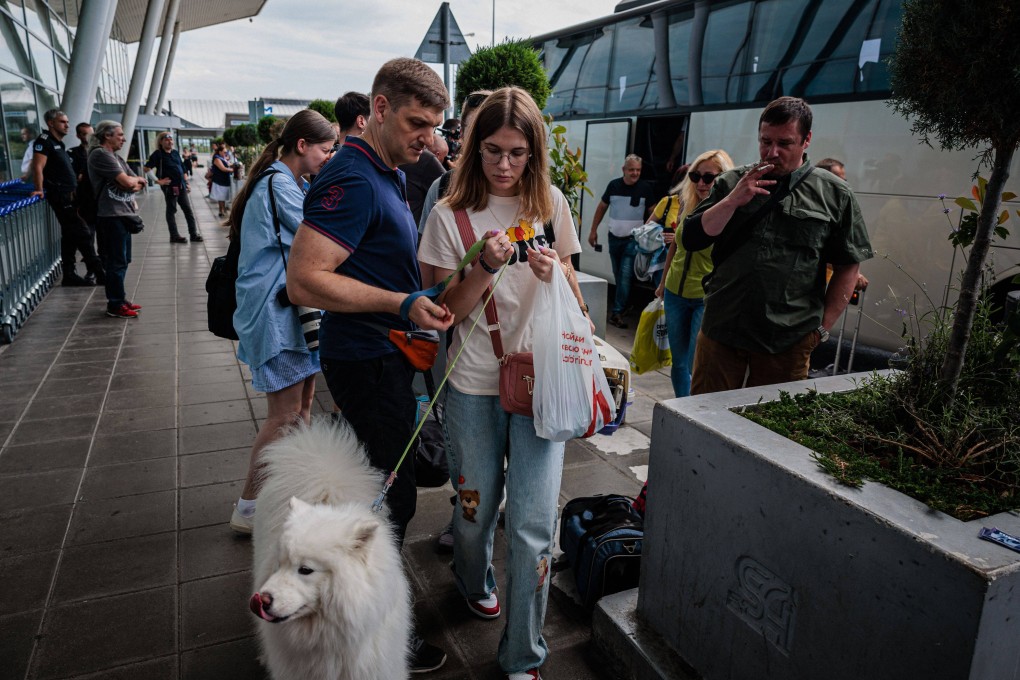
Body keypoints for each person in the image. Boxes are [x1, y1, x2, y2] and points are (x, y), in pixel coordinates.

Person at [286, 57, 453, 675]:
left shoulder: (386, 169)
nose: (427, 138)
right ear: (378, 109)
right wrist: (401, 303)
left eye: (434, 126)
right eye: (416, 123)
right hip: (365, 361)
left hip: (386, 356)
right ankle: (369, 626)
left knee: (387, 490)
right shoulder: (353, 178)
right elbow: (304, 280)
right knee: (389, 499)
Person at [418, 86, 588, 680]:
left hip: (543, 383)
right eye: (492, 151)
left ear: (535, 152)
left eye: (518, 152)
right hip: (472, 384)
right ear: (473, 148)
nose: (506, 165)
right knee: (474, 509)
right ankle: (471, 576)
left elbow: (572, 290)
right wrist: (486, 265)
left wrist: (555, 273)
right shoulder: (448, 214)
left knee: (534, 527)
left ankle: (523, 654)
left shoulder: (551, 206)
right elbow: (444, 310)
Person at [682, 96, 872, 394]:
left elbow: (849, 265)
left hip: (786, 340)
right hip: (723, 330)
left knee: (767, 428)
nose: (772, 152)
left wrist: (821, 329)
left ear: (806, 140)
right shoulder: (731, 181)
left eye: (785, 143)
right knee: (703, 418)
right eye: (765, 141)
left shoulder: (834, 193)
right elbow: (692, 238)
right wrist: (733, 201)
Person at [227, 110, 336, 535]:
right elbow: (321, 236)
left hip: (292, 316)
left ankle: (293, 492)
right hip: (277, 318)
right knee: (283, 416)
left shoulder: (287, 183)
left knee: (302, 410)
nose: (329, 157)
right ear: (303, 146)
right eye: (326, 150)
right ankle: (248, 507)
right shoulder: (279, 186)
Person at [654, 149, 733, 398]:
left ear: (724, 177)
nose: (700, 183)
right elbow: (675, 247)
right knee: (678, 362)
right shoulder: (686, 205)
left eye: (709, 178)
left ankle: (694, 414)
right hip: (675, 292)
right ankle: (682, 407)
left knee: (694, 363)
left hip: (704, 296)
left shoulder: (730, 211)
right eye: (695, 176)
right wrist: (663, 281)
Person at [29, 109, 105, 287]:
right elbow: (38, 167)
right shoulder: (44, 141)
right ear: (51, 123)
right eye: (63, 122)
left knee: (69, 236)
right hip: (60, 195)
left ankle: (69, 274)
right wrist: (39, 189)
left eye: (67, 121)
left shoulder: (58, 143)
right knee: (83, 233)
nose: (67, 125)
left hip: (70, 195)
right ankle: (100, 273)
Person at [587, 154, 656, 328]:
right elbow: (602, 207)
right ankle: (626, 304)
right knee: (619, 275)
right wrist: (593, 230)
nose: (635, 173)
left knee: (624, 275)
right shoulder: (614, 185)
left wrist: (646, 233)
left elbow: (654, 212)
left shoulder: (645, 188)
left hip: (632, 241)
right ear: (623, 170)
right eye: (631, 169)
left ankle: (616, 312)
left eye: (638, 170)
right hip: (614, 238)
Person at [87, 121, 146, 319]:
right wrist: (129, 184)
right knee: (116, 262)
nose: (124, 138)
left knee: (124, 259)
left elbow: (137, 181)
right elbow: (129, 182)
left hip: (123, 215)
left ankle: (119, 299)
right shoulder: (100, 155)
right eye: (120, 134)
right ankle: (115, 303)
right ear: (107, 136)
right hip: (111, 216)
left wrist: (131, 184)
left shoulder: (116, 158)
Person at [144, 131, 203, 243]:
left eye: (171, 139)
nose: (170, 141)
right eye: (166, 139)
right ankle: (174, 235)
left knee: (188, 210)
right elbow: (147, 168)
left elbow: (183, 169)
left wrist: (186, 183)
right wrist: (158, 181)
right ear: (161, 142)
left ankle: (193, 234)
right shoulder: (158, 154)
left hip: (181, 186)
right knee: (171, 211)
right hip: (170, 188)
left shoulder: (175, 153)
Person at [209, 142, 233, 216]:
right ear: (220, 151)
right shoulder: (217, 158)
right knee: (221, 196)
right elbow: (223, 169)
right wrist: (232, 170)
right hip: (220, 180)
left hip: (224, 180)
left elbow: (228, 164)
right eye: (224, 152)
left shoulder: (222, 158)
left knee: (223, 196)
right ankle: (221, 211)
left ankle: (223, 210)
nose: (225, 153)